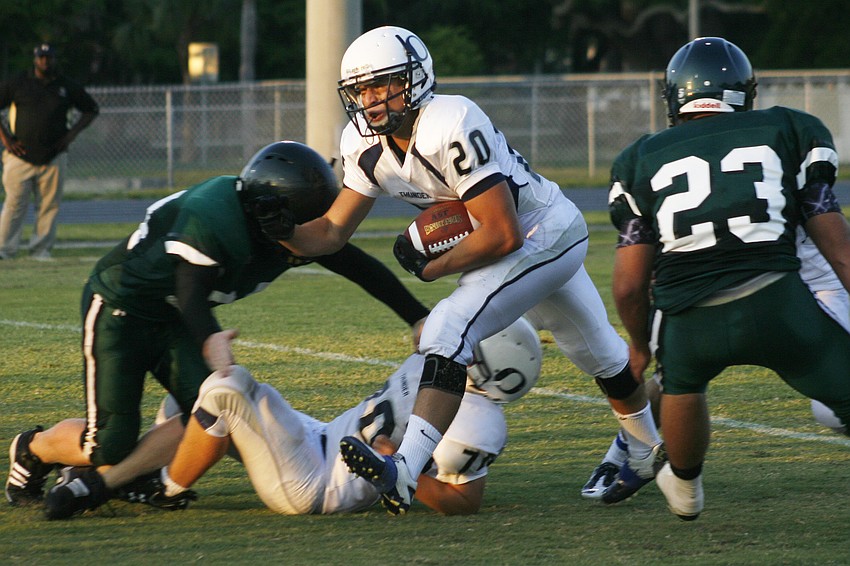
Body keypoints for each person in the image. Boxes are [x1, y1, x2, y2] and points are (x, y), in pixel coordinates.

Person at [262, 26, 663, 515]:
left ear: (416, 78)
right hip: (510, 241)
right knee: (600, 352)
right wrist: (282, 229)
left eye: (383, 83)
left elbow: (503, 234)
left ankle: (406, 468)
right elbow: (329, 233)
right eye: (361, 89)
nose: (370, 99)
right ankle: (644, 448)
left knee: (448, 329)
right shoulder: (362, 144)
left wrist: (433, 270)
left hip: (544, 230)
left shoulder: (449, 119)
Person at [5, 141, 430, 519]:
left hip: (169, 316)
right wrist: (212, 341)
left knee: (207, 415)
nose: (314, 231)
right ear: (267, 213)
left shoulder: (283, 224)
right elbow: (190, 293)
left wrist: (416, 315)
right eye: (305, 221)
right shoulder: (214, 214)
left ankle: (118, 478)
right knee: (107, 442)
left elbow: (358, 266)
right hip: (121, 309)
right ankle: (32, 448)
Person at [607, 37, 850, 521]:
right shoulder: (789, 128)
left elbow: (629, 285)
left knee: (682, 382)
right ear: (745, 91)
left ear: (674, 97)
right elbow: (838, 249)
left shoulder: (640, 158)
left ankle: (686, 487)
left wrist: (638, 346)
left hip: (691, 319)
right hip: (781, 304)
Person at [59, 317, 541, 518]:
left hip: (318, 484)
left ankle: (164, 488)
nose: (460, 332)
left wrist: (400, 471)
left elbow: (466, 502)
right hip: (322, 435)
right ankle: (138, 471)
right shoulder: (445, 364)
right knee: (191, 407)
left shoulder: (477, 419)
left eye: (474, 335)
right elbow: (431, 327)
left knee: (225, 390)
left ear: (485, 365)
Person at [582, 229, 850, 500]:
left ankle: (654, 471)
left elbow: (826, 223)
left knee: (829, 411)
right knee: (675, 373)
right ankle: (628, 456)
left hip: (813, 280)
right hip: (728, 276)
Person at [0, 43, 99, 260]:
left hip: (54, 156)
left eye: (49, 57)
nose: (45, 61)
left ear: (55, 59)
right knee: (15, 203)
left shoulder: (66, 86)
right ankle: (4, 249)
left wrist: (70, 136)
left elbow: (91, 109)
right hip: (19, 156)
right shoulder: (19, 83)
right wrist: (6, 139)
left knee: (48, 206)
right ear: (35, 59)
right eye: (41, 57)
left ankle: (40, 250)